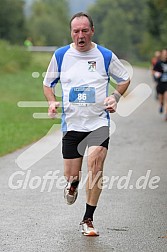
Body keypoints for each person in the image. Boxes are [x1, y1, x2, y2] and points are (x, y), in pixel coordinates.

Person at [43, 12, 130, 236]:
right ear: (71, 33)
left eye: (84, 30)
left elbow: (124, 78)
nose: (80, 35)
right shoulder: (61, 55)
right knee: (72, 177)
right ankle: (72, 186)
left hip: (98, 123)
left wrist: (115, 97)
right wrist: (52, 102)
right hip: (72, 125)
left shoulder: (105, 55)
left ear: (92, 31)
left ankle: (88, 219)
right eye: (76, 31)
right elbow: (47, 83)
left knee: (95, 165)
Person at [153, 48, 167, 121]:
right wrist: (156, 74)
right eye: (164, 53)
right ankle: (161, 105)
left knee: (166, 98)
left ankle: (166, 114)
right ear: (162, 54)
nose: (165, 55)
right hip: (160, 83)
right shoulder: (158, 63)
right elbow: (153, 71)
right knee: (161, 99)